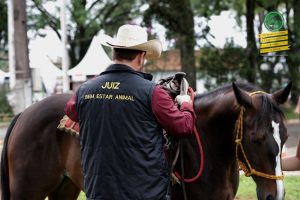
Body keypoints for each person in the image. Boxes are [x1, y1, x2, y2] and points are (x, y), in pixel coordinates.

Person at [64, 24, 195, 200]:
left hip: (99, 193)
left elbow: (71, 112)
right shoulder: (153, 92)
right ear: (141, 57)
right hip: (146, 193)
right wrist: (186, 104)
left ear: (113, 53)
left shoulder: (85, 90)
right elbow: (183, 127)